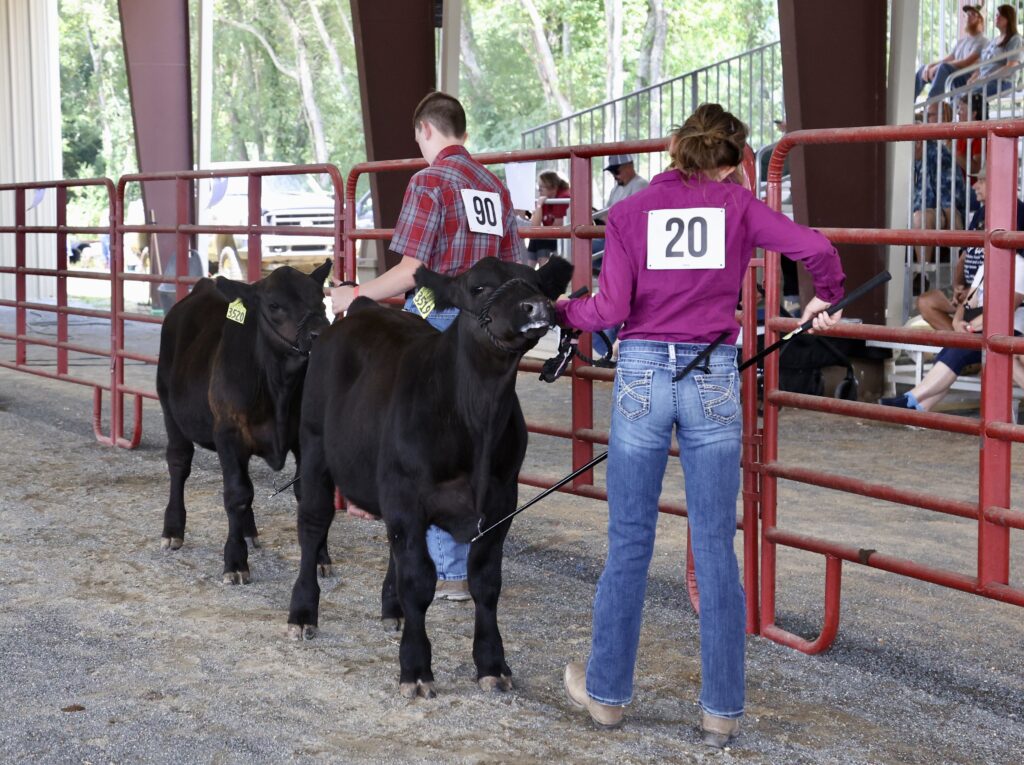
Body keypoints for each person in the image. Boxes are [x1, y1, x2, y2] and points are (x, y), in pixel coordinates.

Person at [557, 103, 845, 747]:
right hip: (712, 374)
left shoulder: (631, 211)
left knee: (629, 538)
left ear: (674, 149)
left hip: (640, 375)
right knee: (715, 546)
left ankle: (606, 694)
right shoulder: (739, 208)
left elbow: (612, 306)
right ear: (738, 158)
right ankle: (721, 710)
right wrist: (824, 294)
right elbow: (817, 248)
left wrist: (565, 311)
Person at [330, 91, 526, 602]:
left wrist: (355, 294)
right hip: (486, 331)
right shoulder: (494, 187)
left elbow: (412, 271)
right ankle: (457, 558)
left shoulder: (430, 180)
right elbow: (515, 270)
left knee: (418, 441)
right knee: (476, 443)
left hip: (437, 317)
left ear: (425, 131)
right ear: (461, 129)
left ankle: (443, 565)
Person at [917, 166, 1024, 331]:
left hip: (990, 292)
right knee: (926, 302)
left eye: (981, 181)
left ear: (999, 184)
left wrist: (974, 290)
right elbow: (965, 255)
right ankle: (962, 342)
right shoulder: (980, 213)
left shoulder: (1019, 214)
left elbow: (1014, 269)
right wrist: (957, 286)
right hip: (969, 290)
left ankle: (964, 346)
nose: (975, 186)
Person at [591, 156, 649, 357]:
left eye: (617, 170)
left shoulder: (641, 185)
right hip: (619, 242)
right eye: (612, 171)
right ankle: (609, 349)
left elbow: (633, 218)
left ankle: (609, 349)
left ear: (629, 166)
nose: (615, 175)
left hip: (629, 244)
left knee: (618, 296)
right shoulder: (618, 188)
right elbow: (610, 215)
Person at [916, 5, 987, 101]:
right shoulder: (962, 41)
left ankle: (932, 106)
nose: (968, 17)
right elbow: (949, 58)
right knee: (923, 69)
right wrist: (930, 66)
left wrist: (938, 66)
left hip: (967, 78)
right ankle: (906, 104)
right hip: (953, 73)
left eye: (973, 14)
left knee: (943, 67)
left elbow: (966, 62)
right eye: (967, 14)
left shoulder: (982, 41)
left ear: (980, 20)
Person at [966, 4, 1023, 98]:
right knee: (959, 95)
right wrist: (973, 77)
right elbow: (982, 64)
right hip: (985, 81)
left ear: (1008, 19)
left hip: (1002, 82)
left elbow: (1010, 67)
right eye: (996, 15)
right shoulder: (994, 40)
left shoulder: (1015, 39)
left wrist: (987, 78)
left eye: (1000, 15)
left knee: (969, 97)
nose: (996, 17)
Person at [525, 170, 570, 267]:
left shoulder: (563, 197)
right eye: (538, 187)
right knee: (535, 239)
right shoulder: (545, 198)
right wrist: (539, 206)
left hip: (564, 238)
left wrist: (541, 233)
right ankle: (528, 273)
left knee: (541, 240)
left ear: (552, 187)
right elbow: (534, 227)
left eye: (541, 187)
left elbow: (558, 227)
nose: (539, 190)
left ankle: (542, 271)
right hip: (551, 237)